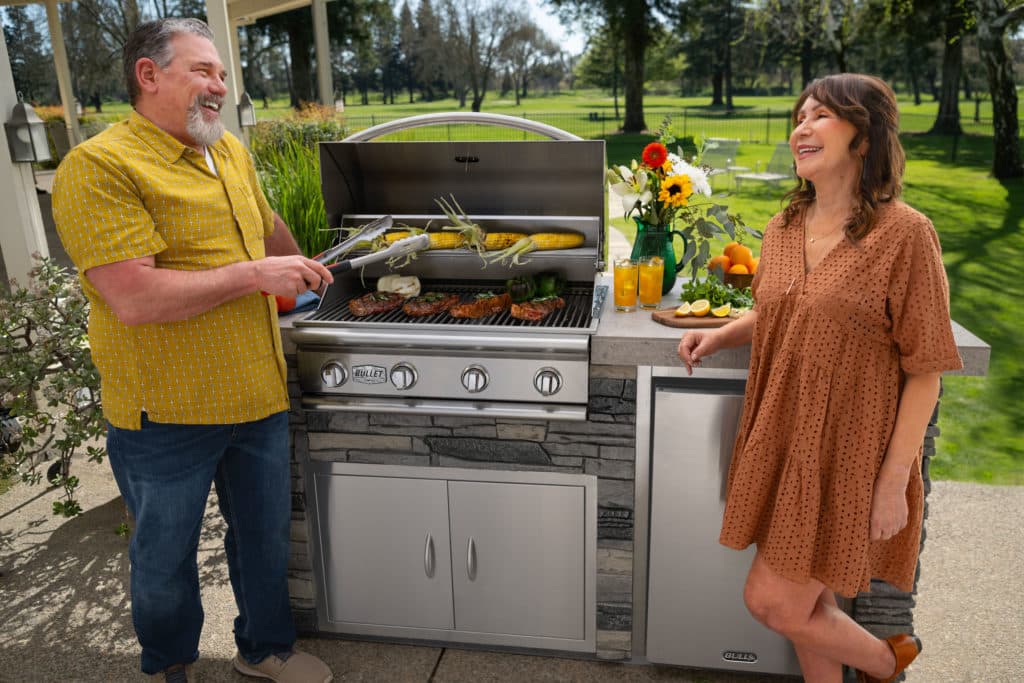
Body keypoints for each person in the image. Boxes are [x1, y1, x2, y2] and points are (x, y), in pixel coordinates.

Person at [51, 18, 335, 683]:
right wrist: (252, 277)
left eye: (222, 74)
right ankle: (168, 664)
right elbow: (134, 297)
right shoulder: (99, 167)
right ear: (148, 76)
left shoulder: (227, 149)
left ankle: (264, 648)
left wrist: (305, 269)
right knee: (164, 559)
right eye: (203, 71)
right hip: (166, 414)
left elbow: (264, 229)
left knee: (263, 542)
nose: (219, 85)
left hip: (256, 394)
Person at [678, 73, 963, 683]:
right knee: (812, 603)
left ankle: (886, 661)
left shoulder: (906, 235)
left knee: (772, 601)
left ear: (864, 137)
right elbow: (783, 306)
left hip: (849, 456)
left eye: (821, 117)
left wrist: (892, 483)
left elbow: (926, 371)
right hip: (781, 441)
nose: (800, 128)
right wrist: (722, 333)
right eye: (799, 117)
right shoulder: (783, 226)